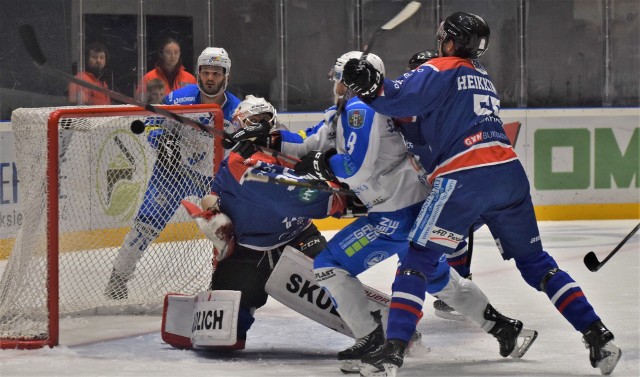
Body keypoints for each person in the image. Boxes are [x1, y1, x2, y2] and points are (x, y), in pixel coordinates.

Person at [341, 12, 621, 376]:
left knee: (417, 261)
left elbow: (396, 99)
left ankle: (391, 351)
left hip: (465, 177)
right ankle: (598, 335)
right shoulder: (481, 77)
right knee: (536, 263)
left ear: (450, 41)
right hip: (509, 176)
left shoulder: (442, 68)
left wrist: (370, 86)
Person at [284, 51, 537, 373]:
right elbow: (310, 141)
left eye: (339, 76)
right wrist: (272, 138)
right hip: (419, 208)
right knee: (436, 278)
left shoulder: (361, 109)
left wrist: (325, 164)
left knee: (329, 265)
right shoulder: (352, 109)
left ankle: (371, 339)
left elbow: (357, 169)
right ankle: (503, 328)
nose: (335, 82)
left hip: (394, 215)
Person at [186, 95, 347, 350]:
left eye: (265, 120)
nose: (260, 125)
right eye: (253, 121)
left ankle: (378, 327)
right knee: (222, 335)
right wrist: (214, 217)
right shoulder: (235, 163)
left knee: (338, 287)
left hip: (299, 238)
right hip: (249, 254)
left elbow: (309, 157)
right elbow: (212, 196)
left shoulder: (286, 143)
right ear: (240, 125)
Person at [105, 47, 241, 300]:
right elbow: (153, 123)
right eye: (206, 72)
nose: (210, 78)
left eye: (216, 73)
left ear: (226, 77)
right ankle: (119, 277)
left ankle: (225, 280)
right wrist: (161, 141)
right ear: (198, 74)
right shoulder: (178, 99)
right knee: (147, 223)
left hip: (212, 176)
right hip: (174, 171)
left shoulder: (238, 111)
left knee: (227, 229)